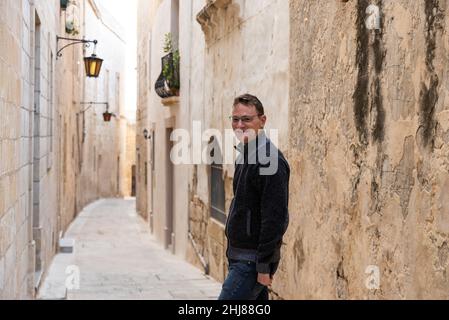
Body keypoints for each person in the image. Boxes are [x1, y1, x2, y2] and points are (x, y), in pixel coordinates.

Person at [218, 93, 290, 300]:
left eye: (247, 119)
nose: (239, 125)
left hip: (250, 262)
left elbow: (274, 218)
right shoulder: (245, 154)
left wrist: (264, 267)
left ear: (262, 120)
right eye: (235, 119)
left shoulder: (269, 160)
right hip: (238, 256)